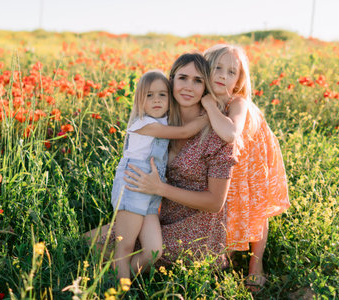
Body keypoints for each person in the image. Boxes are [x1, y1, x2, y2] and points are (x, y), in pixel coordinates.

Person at [86, 53, 237, 277]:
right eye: (182, 78)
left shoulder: (217, 134)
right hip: (156, 214)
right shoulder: (159, 121)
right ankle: (119, 281)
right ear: (171, 81)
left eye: (198, 81)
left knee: (132, 248)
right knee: (91, 242)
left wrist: (160, 188)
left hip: (196, 228)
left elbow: (215, 202)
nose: (188, 87)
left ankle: (120, 284)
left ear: (206, 87)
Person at [201, 44, 290, 290]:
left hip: (252, 157)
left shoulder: (237, 102)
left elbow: (232, 133)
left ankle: (256, 263)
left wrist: (209, 106)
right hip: (228, 161)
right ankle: (227, 251)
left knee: (253, 207)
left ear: (239, 80)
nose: (222, 75)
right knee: (225, 206)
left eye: (231, 72)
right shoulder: (202, 96)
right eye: (217, 68)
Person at [110, 69, 209, 279]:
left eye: (162, 94)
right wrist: (206, 117)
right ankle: (119, 288)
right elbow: (183, 133)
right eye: (149, 95)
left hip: (153, 190)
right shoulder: (144, 124)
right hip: (134, 184)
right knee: (125, 245)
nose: (156, 100)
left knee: (154, 251)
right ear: (140, 100)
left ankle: (119, 279)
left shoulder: (164, 121)